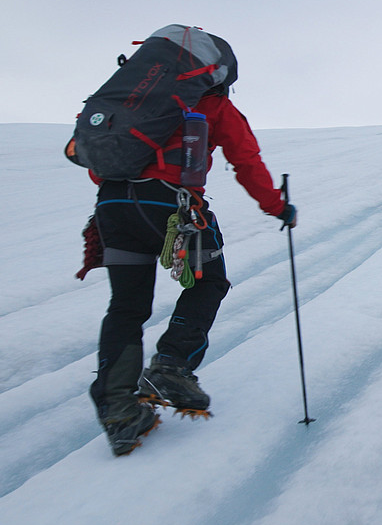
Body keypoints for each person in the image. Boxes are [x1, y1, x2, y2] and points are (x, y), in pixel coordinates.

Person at [85, 32, 297, 456]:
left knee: (126, 307)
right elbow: (246, 161)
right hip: (171, 206)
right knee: (208, 281)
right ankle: (172, 365)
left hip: (112, 207)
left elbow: (92, 160)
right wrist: (278, 208)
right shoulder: (214, 105)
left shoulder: (129, 100)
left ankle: (120, 410)